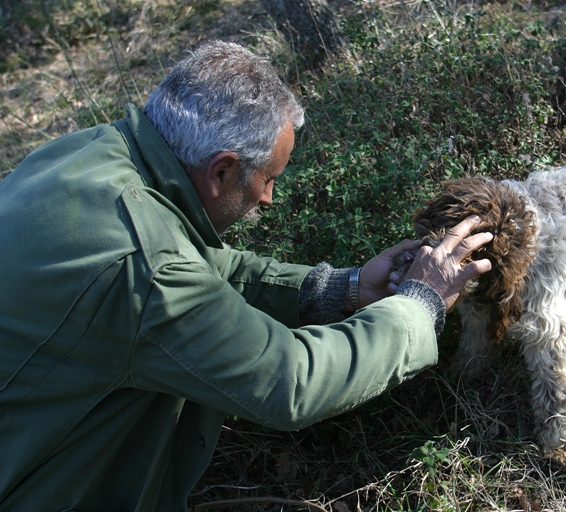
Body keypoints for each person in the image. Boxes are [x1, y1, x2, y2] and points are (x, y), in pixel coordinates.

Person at [0, 40, 492, 511]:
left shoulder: (90, 153)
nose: (268, 199)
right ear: (221, 170)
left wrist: (343, 287)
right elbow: (287, 381)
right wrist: (417, 306)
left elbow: (198, 267)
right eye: (268, 178)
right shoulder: (142, 267)